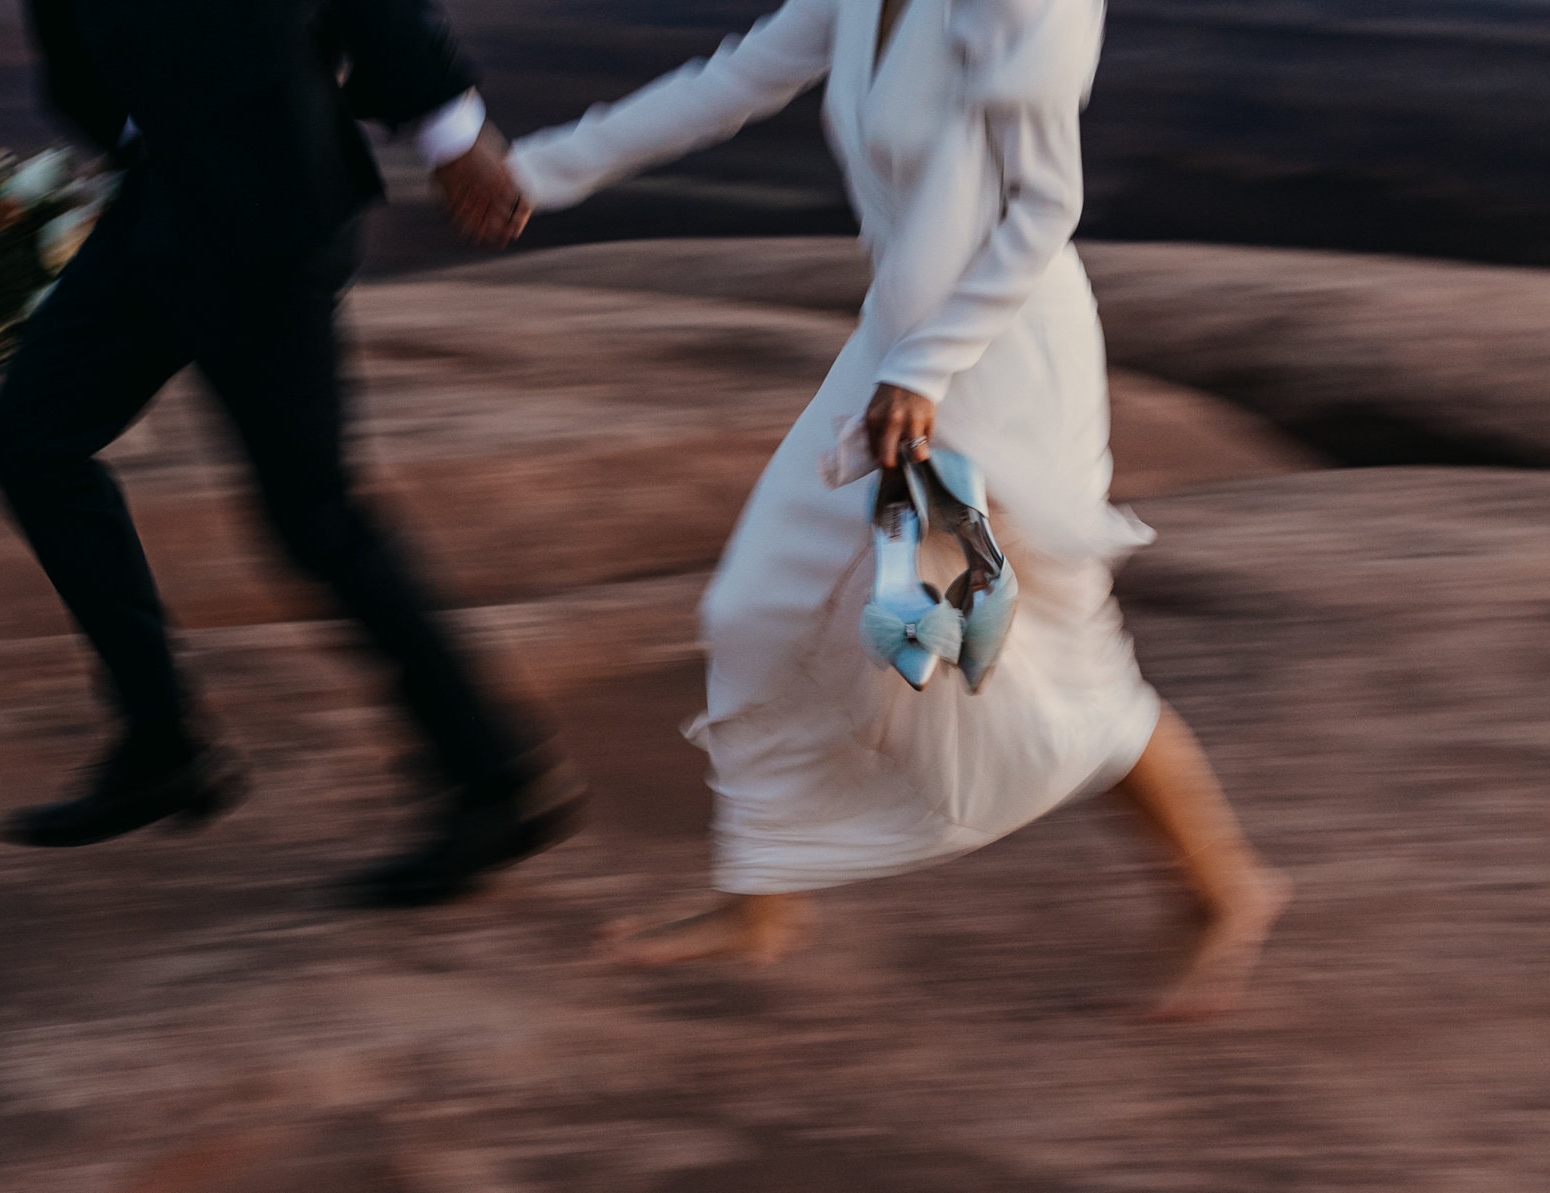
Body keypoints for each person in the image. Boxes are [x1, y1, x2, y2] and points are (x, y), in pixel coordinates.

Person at [505, 0, 1289, 1016]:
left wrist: (923, 370)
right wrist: (527, 172)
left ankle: (1225, 888)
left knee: (1042, 653)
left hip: (996, 362)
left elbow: (1044, 205)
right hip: (897, 353)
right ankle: (759, 906)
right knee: (755, 603)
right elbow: (728, 82)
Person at [0, 0, 569, 908]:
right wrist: (136, 131)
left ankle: (496, 783)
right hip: (161, 197)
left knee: (315, 517)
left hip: (271, 201)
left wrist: (453, 135)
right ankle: (162, 749)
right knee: (28, 441)